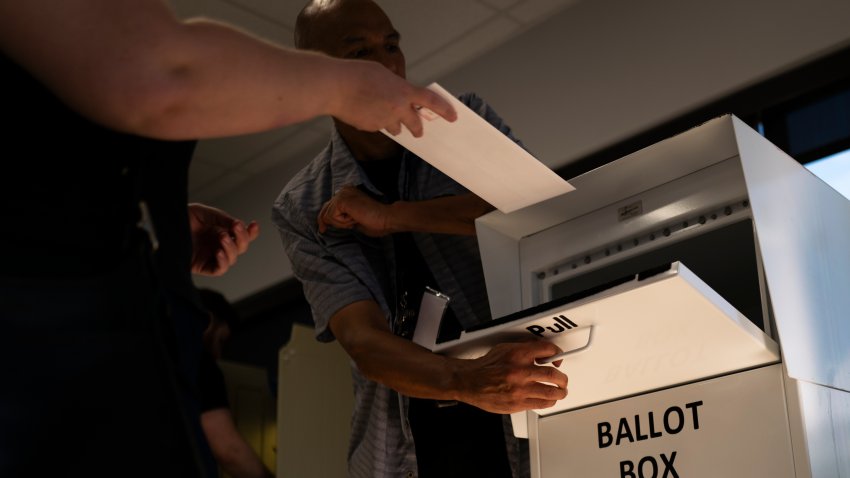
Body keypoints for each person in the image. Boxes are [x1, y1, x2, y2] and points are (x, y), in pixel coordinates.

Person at [0, 1, 456, 477]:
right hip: (42, 355)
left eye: (389, 46)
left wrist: (157, 232)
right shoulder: (305, 203)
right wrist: (345, 86)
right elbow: (163, 74)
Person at [272, 1, 568, 477]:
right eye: (359, 53)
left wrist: (393, 217)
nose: (388, 66)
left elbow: (538, 214)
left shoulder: (461, 121)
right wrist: (469, 381)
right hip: (408, 440)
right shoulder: (302, 206)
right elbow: (363, 340)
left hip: (528, 408)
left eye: (392, 46)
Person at [197, 289, 275, 478]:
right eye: (221, 341)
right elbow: (230, 451)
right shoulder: (200, 365)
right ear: (208, 321)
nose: (218, 355)